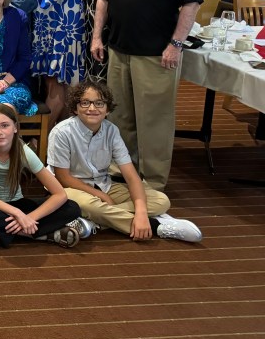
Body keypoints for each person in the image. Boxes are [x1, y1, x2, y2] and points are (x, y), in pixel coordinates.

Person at [91, 0, 202, 191]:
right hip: (118, 49)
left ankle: (153, 181)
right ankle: (122, 171)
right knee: (120, 115)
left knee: (154, 119)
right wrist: (97, 36)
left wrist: (176, 45)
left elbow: (191, 4)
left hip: (157, 53)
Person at [49, 81, 202, 242]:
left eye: (99, 103)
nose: (92, 108)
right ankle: (157, 226)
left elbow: (131, 176)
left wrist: (141, 212)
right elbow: (64, 178)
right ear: (75, 108)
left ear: (108, 110)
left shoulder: (111, 131)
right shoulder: (62, 132)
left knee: (161, 201)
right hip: (70, 187)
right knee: (88, 206)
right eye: (85, 103)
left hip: (103, 184)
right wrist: (101, 195)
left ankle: (93, 221)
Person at [0, 104, 84, 248]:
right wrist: (17, 214)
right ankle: (42, 235)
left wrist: (29, 217)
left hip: (17, 203)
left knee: (72, 207)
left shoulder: (24, 152)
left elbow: (60, 194)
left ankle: (3, 232)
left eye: (5, 125)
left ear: (15, 127)